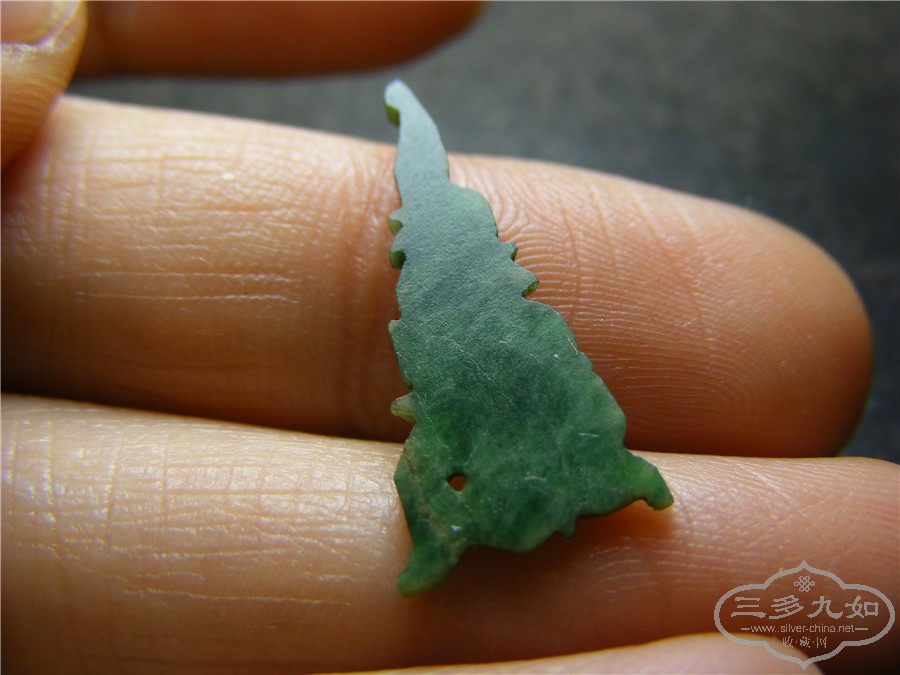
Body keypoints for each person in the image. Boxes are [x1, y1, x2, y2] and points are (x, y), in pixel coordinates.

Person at [2, 2, 895, 673]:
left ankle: (582, 491)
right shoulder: (451, 306)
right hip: (469, 371)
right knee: (457, 448)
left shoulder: (481, 300)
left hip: (496, 369)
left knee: (518, 428)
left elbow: (521, 368)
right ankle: (502, 519)